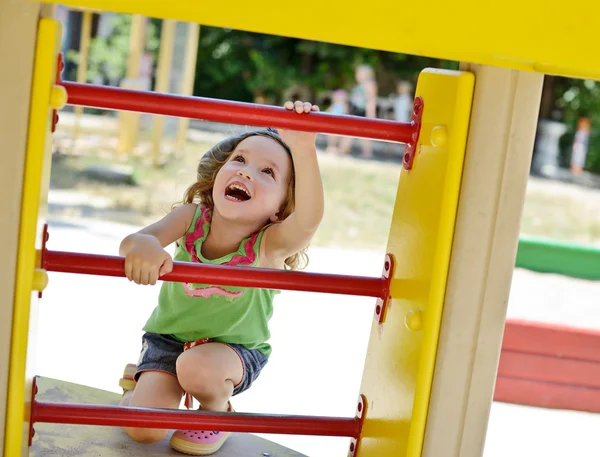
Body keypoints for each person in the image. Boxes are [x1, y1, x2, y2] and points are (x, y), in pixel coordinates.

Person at [116, 100, 324, 455]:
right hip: (168, 341)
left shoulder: (270, 245)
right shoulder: (191, 217)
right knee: (144, 431)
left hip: (231, 355)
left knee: (197, 367)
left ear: (280, 208)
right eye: (239, 160)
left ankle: (216, 410)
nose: (246, 172)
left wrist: (304, 147)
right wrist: (146, 246)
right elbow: (133, 242)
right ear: (218, 175)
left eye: (267, 172)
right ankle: (137, 387)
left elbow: (308, 221)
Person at [339, 64, 378, 158]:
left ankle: (343, 151)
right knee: (352, 132)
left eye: (359, 73)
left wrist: (371, 116)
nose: (357, 75)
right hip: (355, 111)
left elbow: (371, 101)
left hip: (362, 112)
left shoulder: (369, 84)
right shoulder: (361, 85)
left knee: (354, 132)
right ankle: (344, 150)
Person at [325, 89, 349, 154]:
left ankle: (338, 148)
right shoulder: (334, 105)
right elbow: (327, 112)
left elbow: (346, 115)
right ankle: (331, 147)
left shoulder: (344, 106)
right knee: (331, 137)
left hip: (339, 125)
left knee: (337, 137)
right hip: (332, 124)